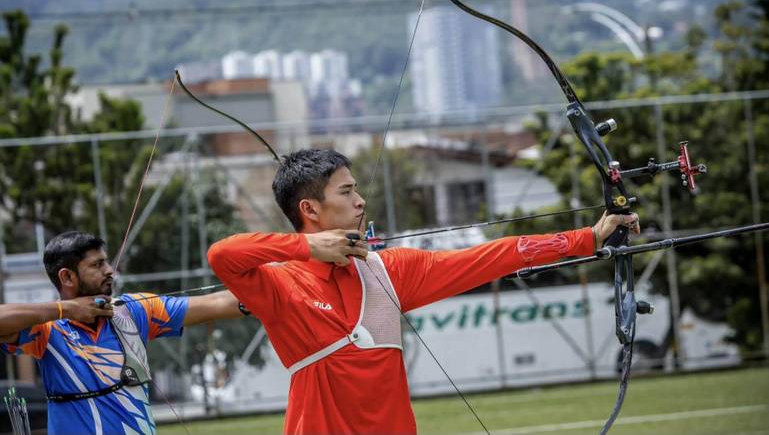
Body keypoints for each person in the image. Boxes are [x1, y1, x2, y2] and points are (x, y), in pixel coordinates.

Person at [207, 148, 641, 435]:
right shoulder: (279, 284)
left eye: (357, 189)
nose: (360, 201)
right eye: (347, 191)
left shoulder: (389, 271)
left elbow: (496, 256)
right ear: (310, 210)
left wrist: (588, 238)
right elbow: (223, 254)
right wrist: (306, 247)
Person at [0, 231, 246, 435]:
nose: (110, 270)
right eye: (97, 265)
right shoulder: (46, 330)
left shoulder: (135, 311)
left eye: (106, 261)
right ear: (67, 277)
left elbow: (218, 303)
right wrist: (66, 309)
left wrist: (274, 287)